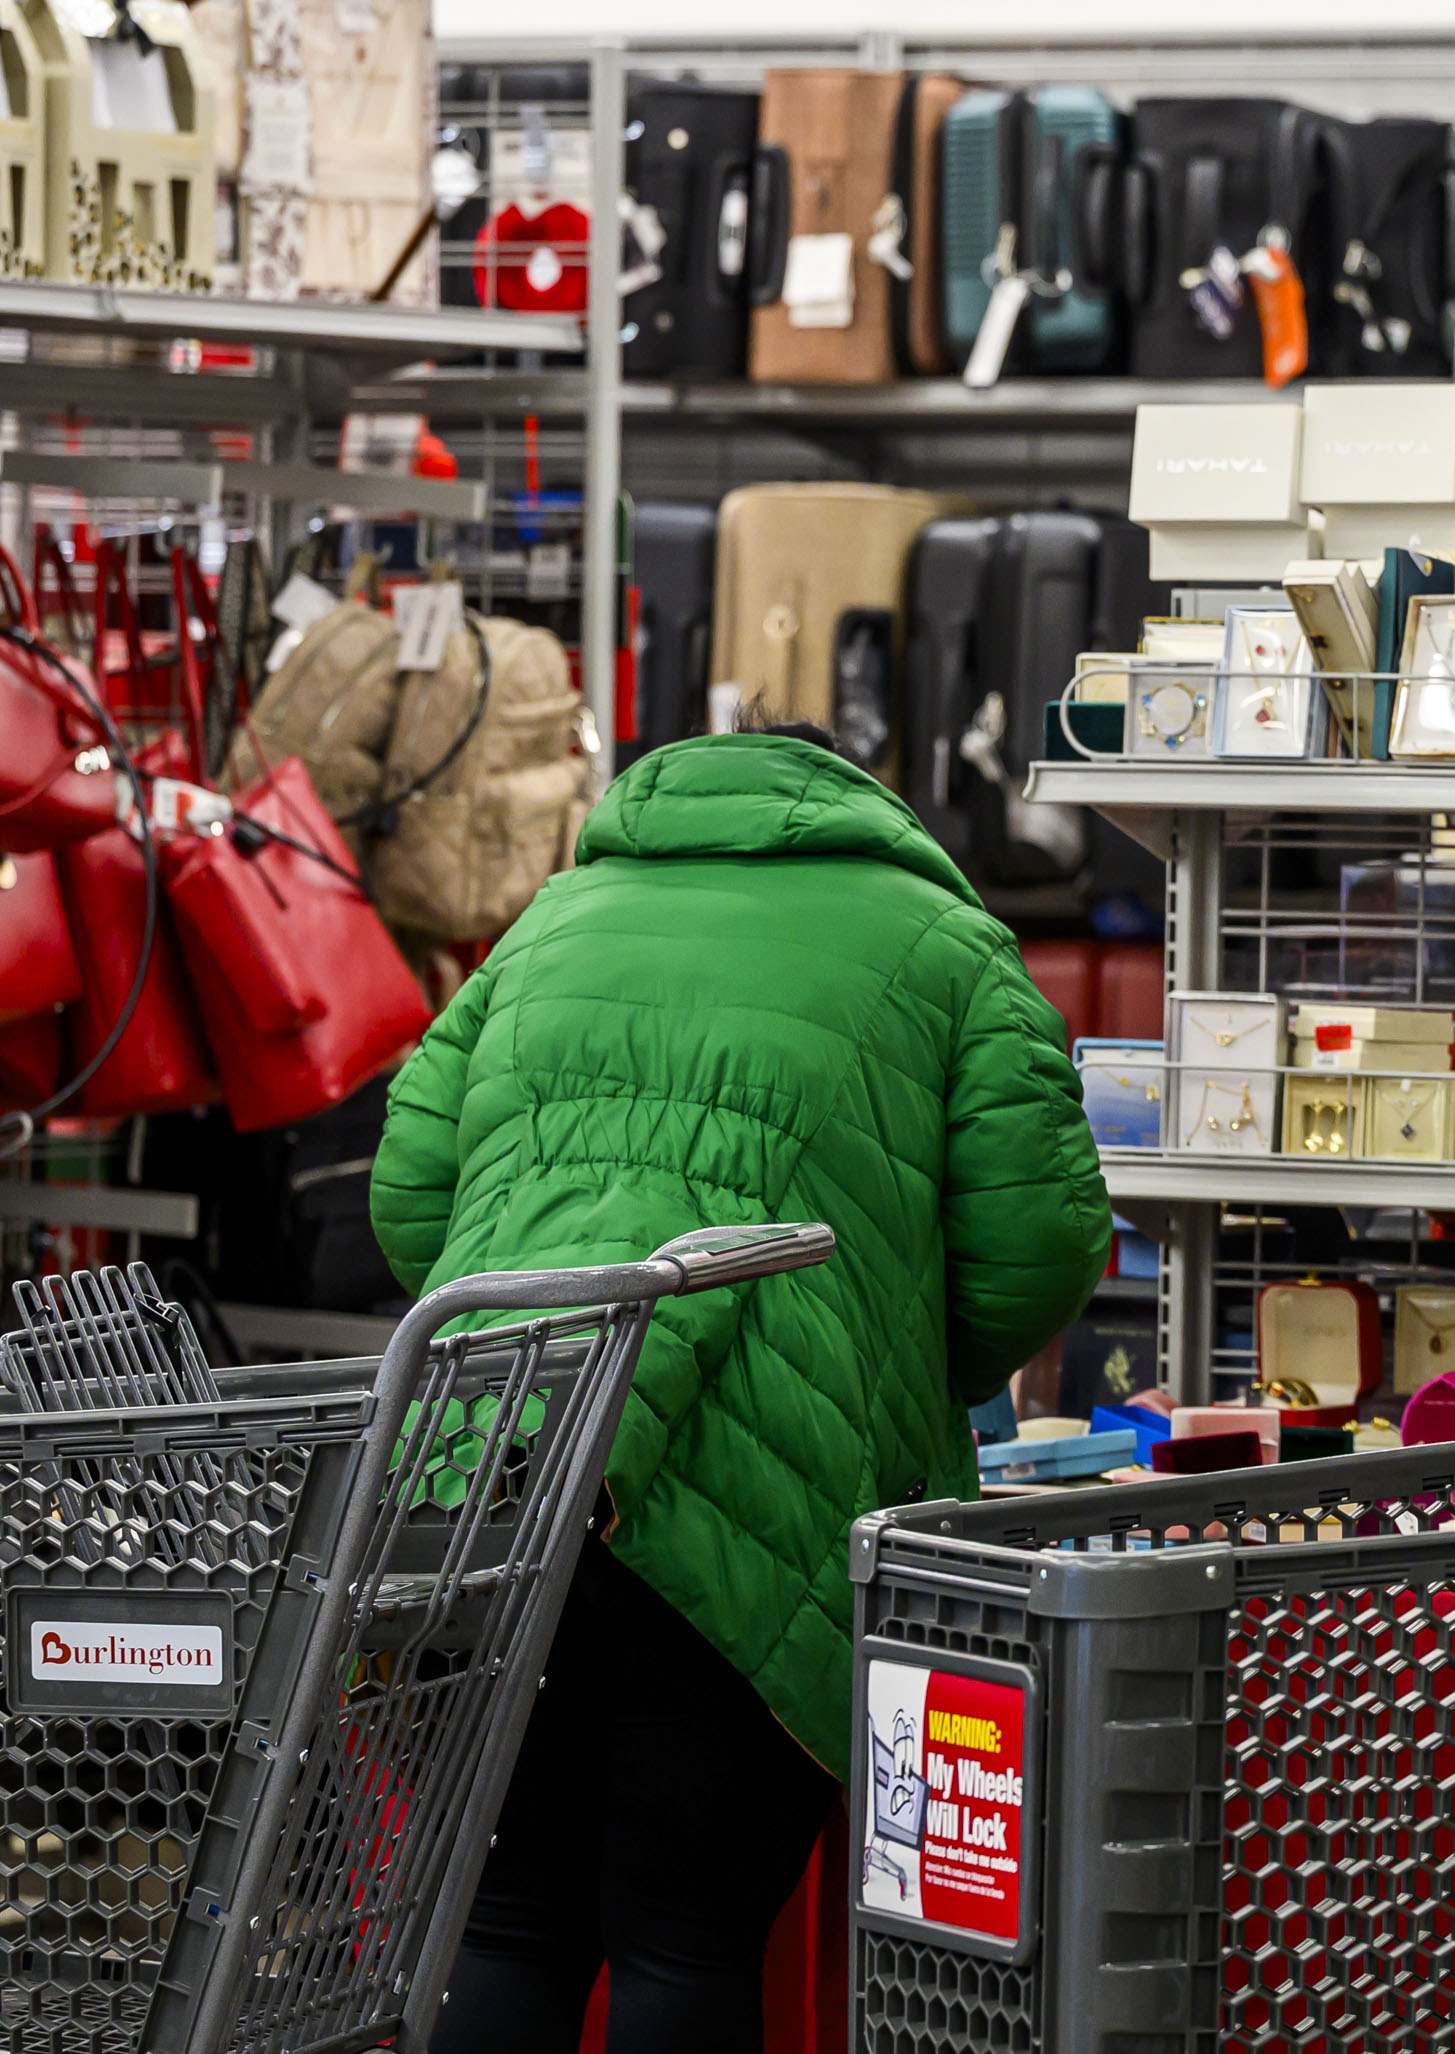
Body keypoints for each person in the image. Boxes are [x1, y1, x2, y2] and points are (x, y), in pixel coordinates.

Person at [372, 712, 1112, 2052]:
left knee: (504, 1916)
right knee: (688, 1933)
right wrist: (904, 1372)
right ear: (853, 797)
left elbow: (407, 1190)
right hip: (760, 1492)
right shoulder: (944, 946)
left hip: (491, 1471)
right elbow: (1042, 1240)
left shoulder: (550, 920)